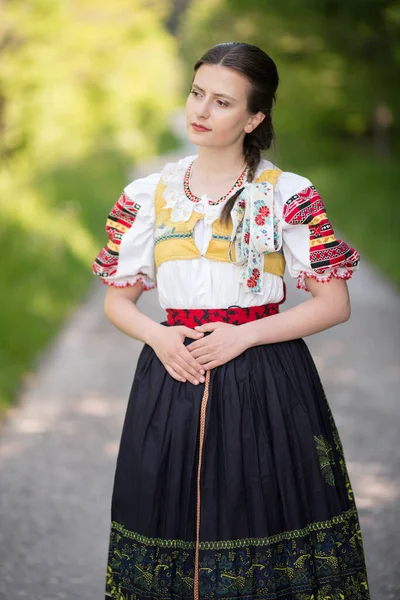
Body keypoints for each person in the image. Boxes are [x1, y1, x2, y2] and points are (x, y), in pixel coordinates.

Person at [92, 42, 370, 600]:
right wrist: (158, 335)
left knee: (260, 516)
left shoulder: (285, 196)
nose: (200, 110)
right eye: (197, 93)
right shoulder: (148, 196)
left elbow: (332, 303)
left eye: (222, 102)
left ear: (254, 117)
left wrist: (244, 335)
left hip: (263, 377)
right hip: (172, 376)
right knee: (164, 517)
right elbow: (118, 303)